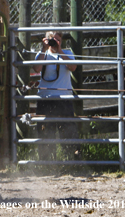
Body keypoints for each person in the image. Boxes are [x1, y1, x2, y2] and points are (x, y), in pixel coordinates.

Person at [32, 31, 79, 161]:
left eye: (57, 40)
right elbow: (36, 68)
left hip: (64, 98)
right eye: (51, 39)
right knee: (45, 131)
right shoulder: (43, 54)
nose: (54, 42)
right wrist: (44, 48)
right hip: (45, 98)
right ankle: (46, 162)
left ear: (61, 41)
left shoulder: (67, 53)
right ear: (45, 40)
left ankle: (72, 160)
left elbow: (73, 67)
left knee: (68, 131)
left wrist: (60, 51)